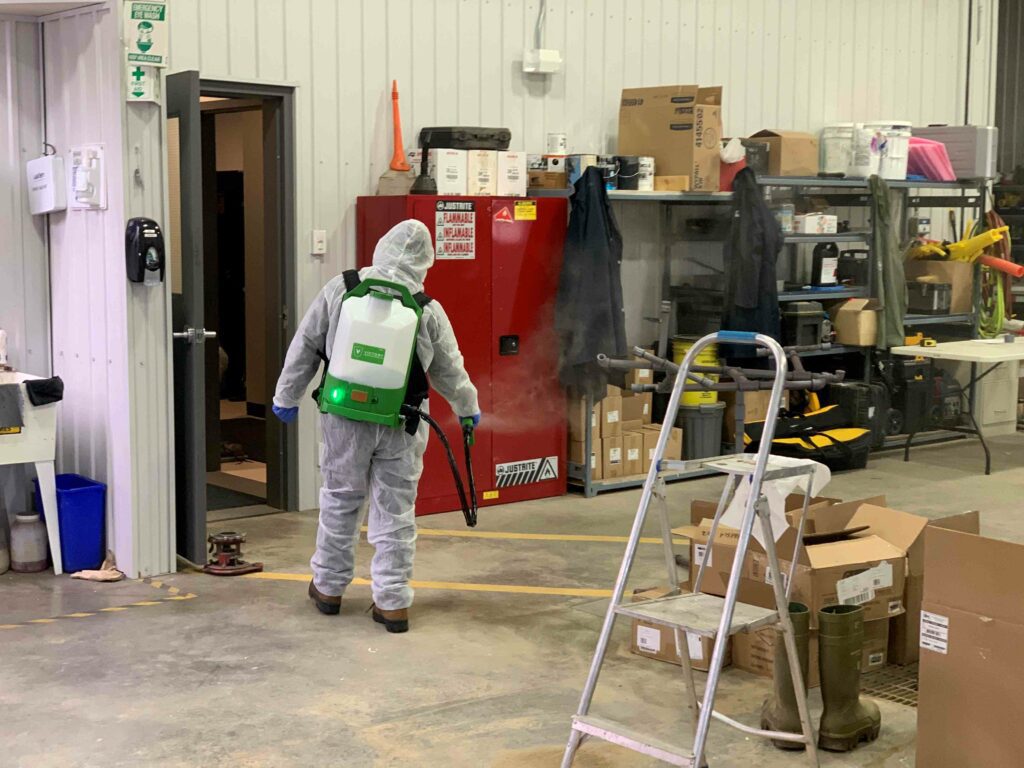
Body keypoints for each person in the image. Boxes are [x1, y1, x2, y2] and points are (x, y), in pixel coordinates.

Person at [272, 219, 479, 633]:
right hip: (401, 422)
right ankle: (393, 603)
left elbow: (306, 344)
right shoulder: (426, 307)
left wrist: (285, 396)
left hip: (344, 417)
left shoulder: (342, 288)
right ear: (425, 262)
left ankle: (329, 589)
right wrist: (467, 406)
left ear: (381, 247)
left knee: (340, 500)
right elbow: (448, 368)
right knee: (396, 511)